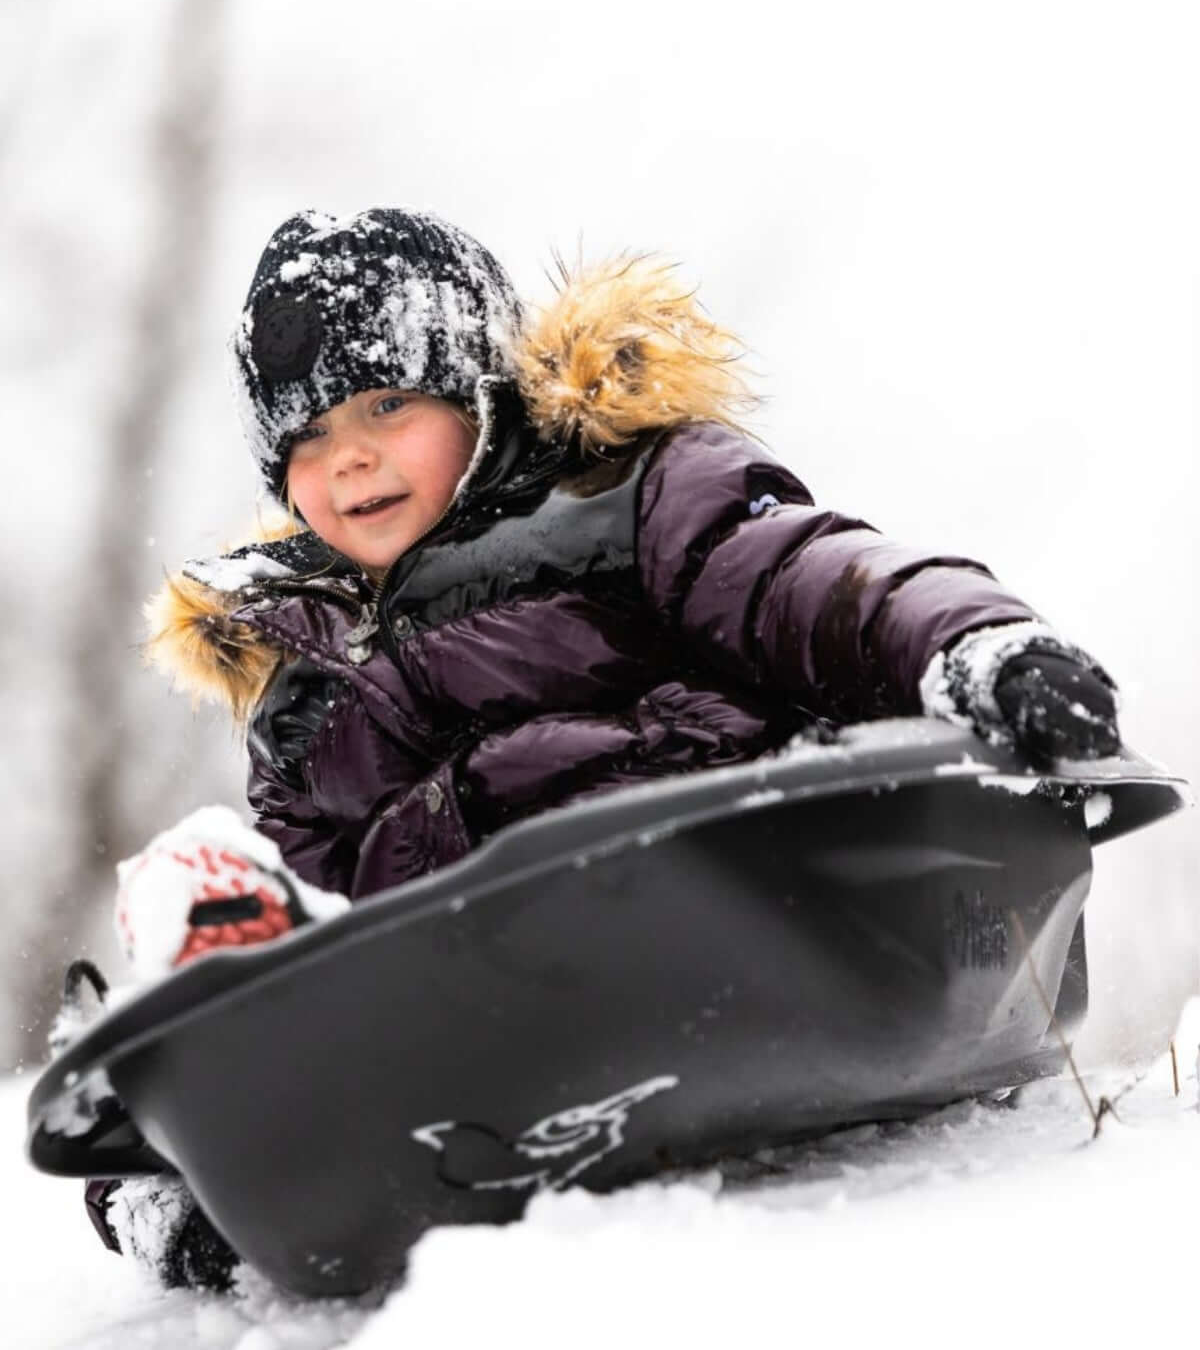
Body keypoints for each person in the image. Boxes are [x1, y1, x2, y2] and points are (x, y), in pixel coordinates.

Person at [86, 206, 1122, 1286]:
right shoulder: (307, 687)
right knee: (199, 893)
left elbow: (809, 583)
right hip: (496, 1027)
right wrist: (217, 1110)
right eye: (304, 437)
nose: (347, 457)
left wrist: (974, 647)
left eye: (387, 404)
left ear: (479, 391)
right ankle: (186, 1169)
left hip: (744, 912)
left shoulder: (628, 500)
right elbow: (316, 940)